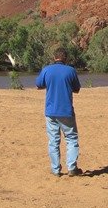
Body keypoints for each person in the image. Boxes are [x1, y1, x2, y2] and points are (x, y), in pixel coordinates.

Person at [35, 47, 82, 177]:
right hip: (66, 111)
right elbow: (77, 89)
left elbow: (38, 85)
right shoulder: (71, 71)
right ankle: (72, 168)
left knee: (53, 141)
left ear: (54, 57)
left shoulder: (46, 70)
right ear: (65, 58)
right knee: (71, 138)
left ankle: (55, 170)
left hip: (50, 111)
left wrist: (50, 84)